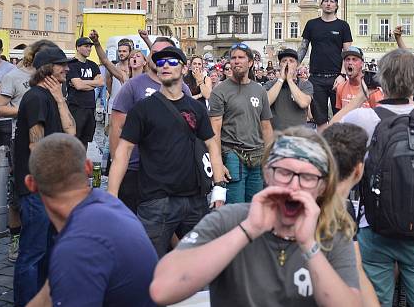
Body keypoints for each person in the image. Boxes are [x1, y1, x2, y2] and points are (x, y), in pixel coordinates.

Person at [149, 126, 361, 307]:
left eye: (307, 177)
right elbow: (162, 289)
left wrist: (309, 245)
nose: (294, 186)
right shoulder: (230, 219)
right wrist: (248, 230)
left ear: (322, 187)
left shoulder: (332, 231)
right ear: (267, 174)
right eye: (284, 173)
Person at [334, 49, 414, 307]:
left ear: (382, 81)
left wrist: (361, 96)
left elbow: (330, 128)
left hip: (375, 222)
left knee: (376, 298)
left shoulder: (364, 117)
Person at [109, 46, 226, 257]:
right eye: (161, 62)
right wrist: (112, 194)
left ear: (183, 69)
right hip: (156, 202)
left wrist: (219, 188)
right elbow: (123, 152)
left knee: (199, 263)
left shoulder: (196, 108)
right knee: (148, 264)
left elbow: (212, 146)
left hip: (194, 200)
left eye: (172, 62)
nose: (165, 66)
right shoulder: (142, 109)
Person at [24, 134, 158, 307]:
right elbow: (48, 296)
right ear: (87, 167)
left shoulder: (77, 247)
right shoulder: (107, 204)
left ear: (31, 184)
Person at [13, 47, 76, 306]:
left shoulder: (51, 96)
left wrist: (60, 100)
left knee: (49, 249)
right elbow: (34, 146)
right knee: (32, 253)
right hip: (36, 189)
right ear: (48, 68)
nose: (67, 69)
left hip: (50, 188)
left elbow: (71, 132)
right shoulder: (36, 98)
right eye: (62, 65)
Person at [109, 37, 193, 214]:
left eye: (166, 55)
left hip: (167, 170)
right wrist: (117, 166)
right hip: (134, 167)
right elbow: (116, 127)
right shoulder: (133, 86)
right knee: (130, 221)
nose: (160, 60)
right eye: (155, 54)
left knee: (163, 223)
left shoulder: (183, 89)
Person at [0, 39, 58, 262]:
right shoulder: (15, 76)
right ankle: (16, 238)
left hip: (50, 142)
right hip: (22, 140)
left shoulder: (55, 79)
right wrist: (25, 112)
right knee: (19, 193)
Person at [322, 122, 381, 307]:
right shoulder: (342, 208)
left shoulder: (342, 207)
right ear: (359, 170)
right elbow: (356, 271)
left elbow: (355, 268)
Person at [209, 43, 274, 204]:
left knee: (255, 207)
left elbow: (266, 127)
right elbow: (214, 131)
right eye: (233, 58)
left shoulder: (259, 91)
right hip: (233, 155)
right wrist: (218, 165)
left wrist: (271, 159)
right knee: (235, 210)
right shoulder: (220, 91)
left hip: (258, 155)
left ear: (250, 62)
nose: (236, 61)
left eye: (241, 58)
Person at [298, 0, 353, 126]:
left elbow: (348, 54)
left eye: (332, 1)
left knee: (339, 118)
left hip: (336, 78)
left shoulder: (343, 26)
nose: (328, 4)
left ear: (336, 6)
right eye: (326, 1)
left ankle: (337, 146)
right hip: (316, 78)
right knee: (320, 119)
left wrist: (342, 75)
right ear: (321, 4)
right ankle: (323, 146)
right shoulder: (312, 24)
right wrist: (294, 64)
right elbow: (303, 47)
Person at [66, 37, 103, 147]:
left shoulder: (93, 65)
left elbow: (101, 82)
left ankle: (82, 162)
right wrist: (92, 83)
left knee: (85, 140)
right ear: (78, 47)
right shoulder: (71, 64)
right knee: (73, 139)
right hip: (76, 107)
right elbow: (78, 86)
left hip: (90, 107)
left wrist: (83, 83)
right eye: (86, 46)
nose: (89, 49)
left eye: (90, 46)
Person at [265, 48, 314, 131]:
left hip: (298, 135)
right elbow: (265, 102)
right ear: (279, 64)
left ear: (297, 65)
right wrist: (281, 79)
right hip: (276, 134)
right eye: (284, 61)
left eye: (291, 61)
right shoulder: (270, 84)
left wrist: (290, 80)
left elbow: (304, 103)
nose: (287, 64)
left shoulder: (305, 84)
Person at [334, 47, 383, 113]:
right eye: (347, 59)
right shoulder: (340, 88)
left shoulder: (372, 91)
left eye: (354, 59)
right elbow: (339, 117)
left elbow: (380, 117)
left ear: (362, 64)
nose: (350, 63)